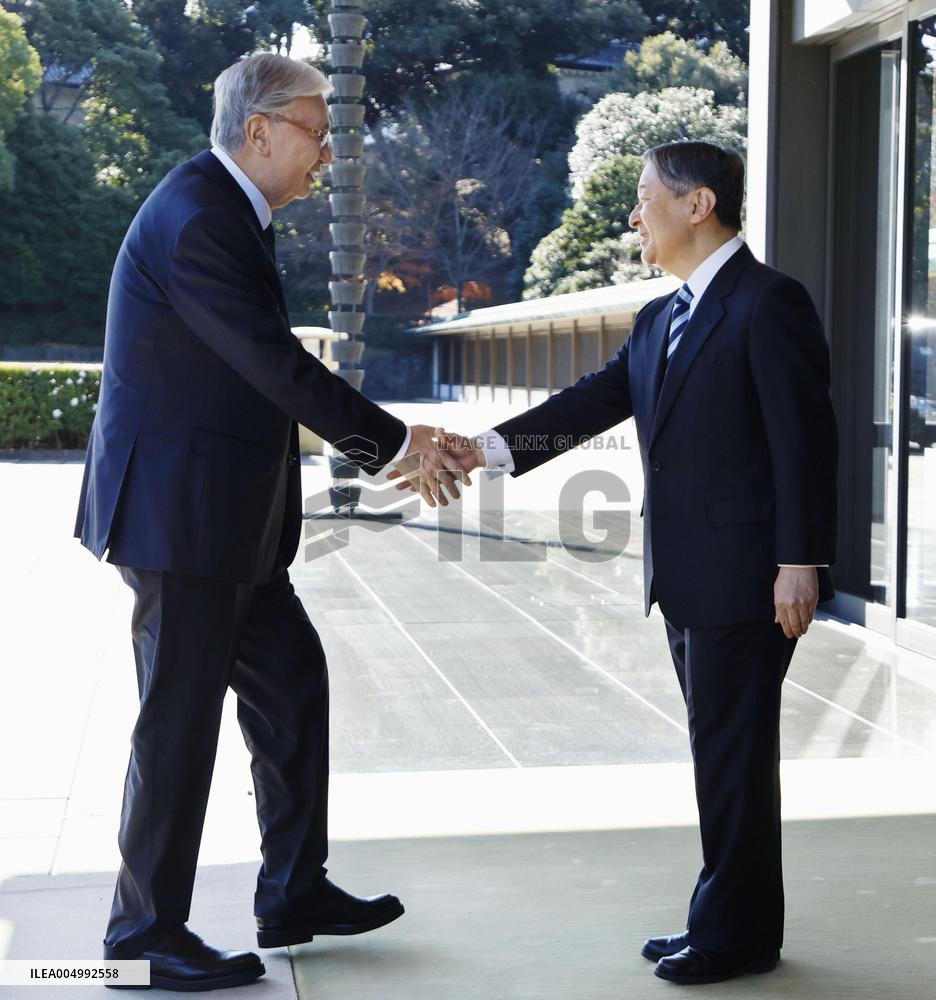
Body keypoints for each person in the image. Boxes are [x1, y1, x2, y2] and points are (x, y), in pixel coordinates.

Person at [398, 141, 838, 986]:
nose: (634, 214)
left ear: (698, 204)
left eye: (645, 198)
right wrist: (477, 449)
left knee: (734, 757)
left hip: (749, 576)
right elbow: (583, 407)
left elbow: (804, 443)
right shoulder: (661, 317)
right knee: (723, 754)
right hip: (684, 575)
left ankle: (735, 937)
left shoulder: (769, 303)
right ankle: (725, 920)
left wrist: (799, 560)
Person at [74, 52, 463, 992]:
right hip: (182, 519)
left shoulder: (223, 209)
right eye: (318, 132)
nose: (327, 152)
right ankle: (142, 935)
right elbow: (273, 365)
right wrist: (397, 442)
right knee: (178, 723)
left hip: (226, 522)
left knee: (292, 686)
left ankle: (294, 889)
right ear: (260, 131)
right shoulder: (200, 215)